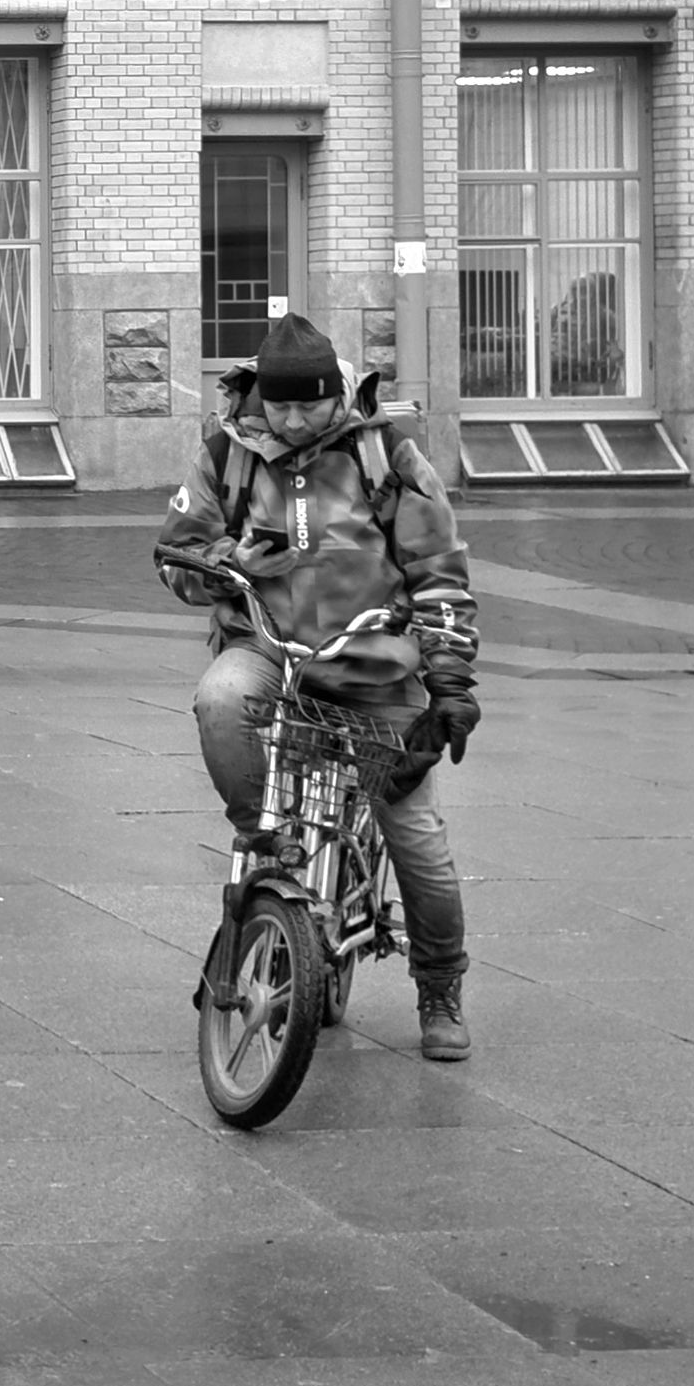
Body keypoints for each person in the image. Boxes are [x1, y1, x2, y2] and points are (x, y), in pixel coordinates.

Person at [154, 312, 483, 1061]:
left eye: (310, 405)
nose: (295, 422)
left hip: (374, 663)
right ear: (260, 398)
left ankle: (439, 986)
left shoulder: (385, 453)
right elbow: (176, 556)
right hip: (269, 649)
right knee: (220, 699)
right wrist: (229, 561)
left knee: (419, 844)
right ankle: (265, 843)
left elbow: (440, 572)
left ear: (337, 394)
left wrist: (450, 683)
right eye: (281, 406)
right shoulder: (228, 452)